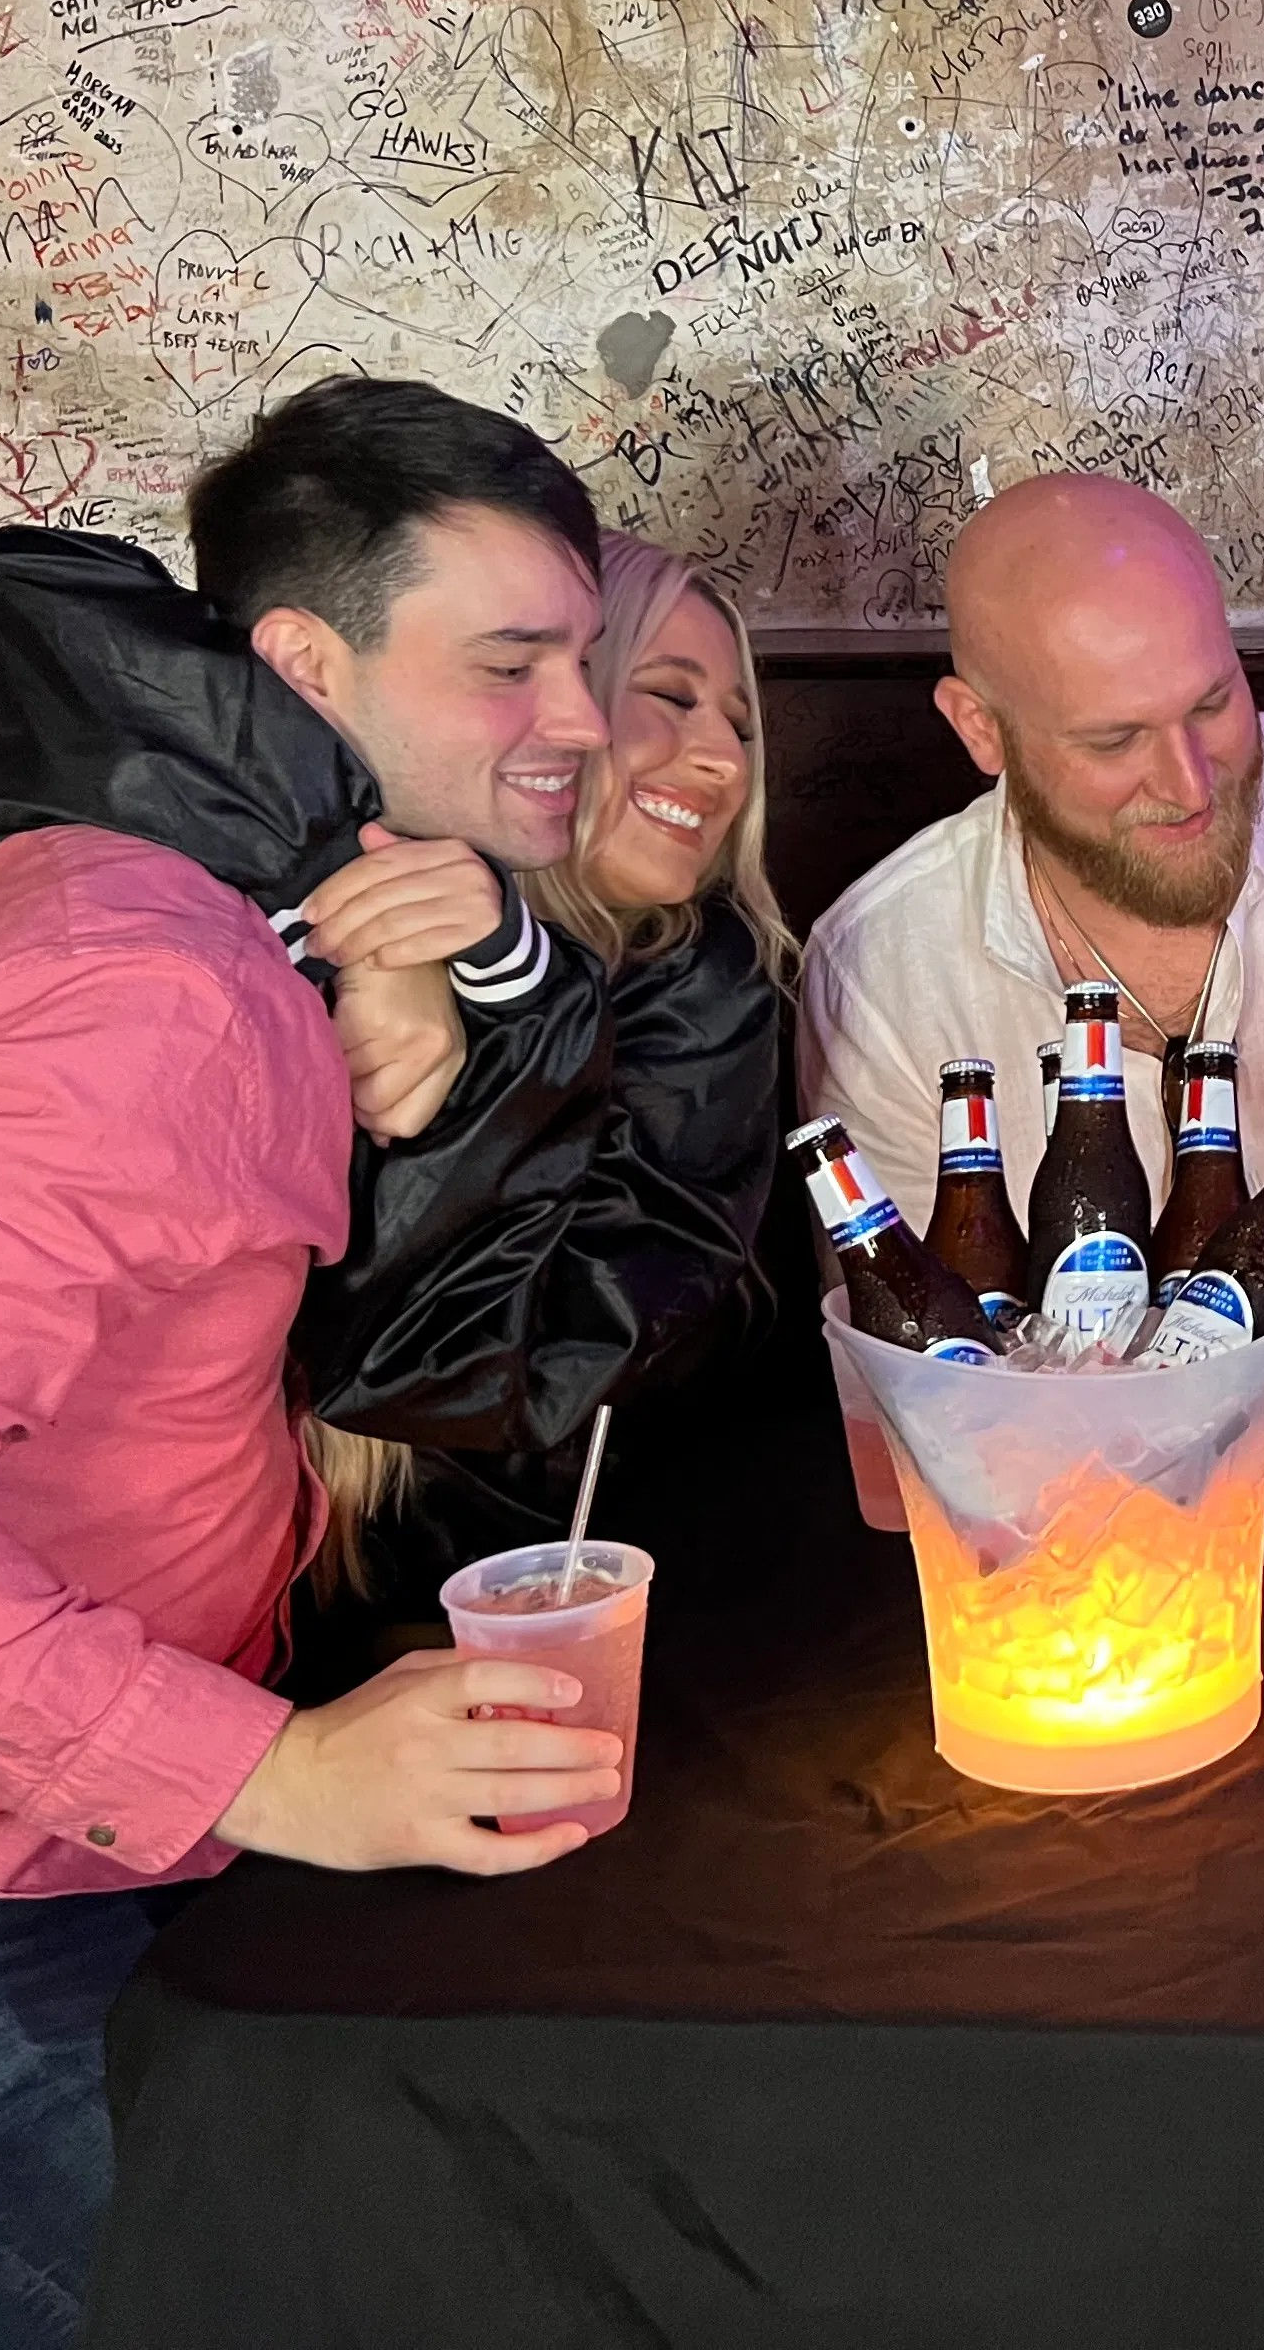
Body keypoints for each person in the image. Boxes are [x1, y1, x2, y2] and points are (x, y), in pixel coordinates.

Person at [0, 379, 636, 2350]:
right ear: (306, 670)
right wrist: (281, 1769)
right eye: (513, 666)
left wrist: (430, 967)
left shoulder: (181, 907)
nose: (578, 719)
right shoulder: (135, 977)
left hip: (82, 1881)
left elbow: (514, 1286)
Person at [796, 474, 1264, 1497]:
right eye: (1114, 741)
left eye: (1212, 702)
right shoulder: (882, 966)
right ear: (980, 729)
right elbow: (928, 1356)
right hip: (1054, 1537)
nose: (1192, 784)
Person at [286, 529, 798, 1681]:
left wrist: (519, 989)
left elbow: (536, 1368)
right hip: (256, 1617)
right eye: (666, 699)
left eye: (741, 725)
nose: (722, 758)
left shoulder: (705, 984)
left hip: (579, 1610)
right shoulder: (302, 929)